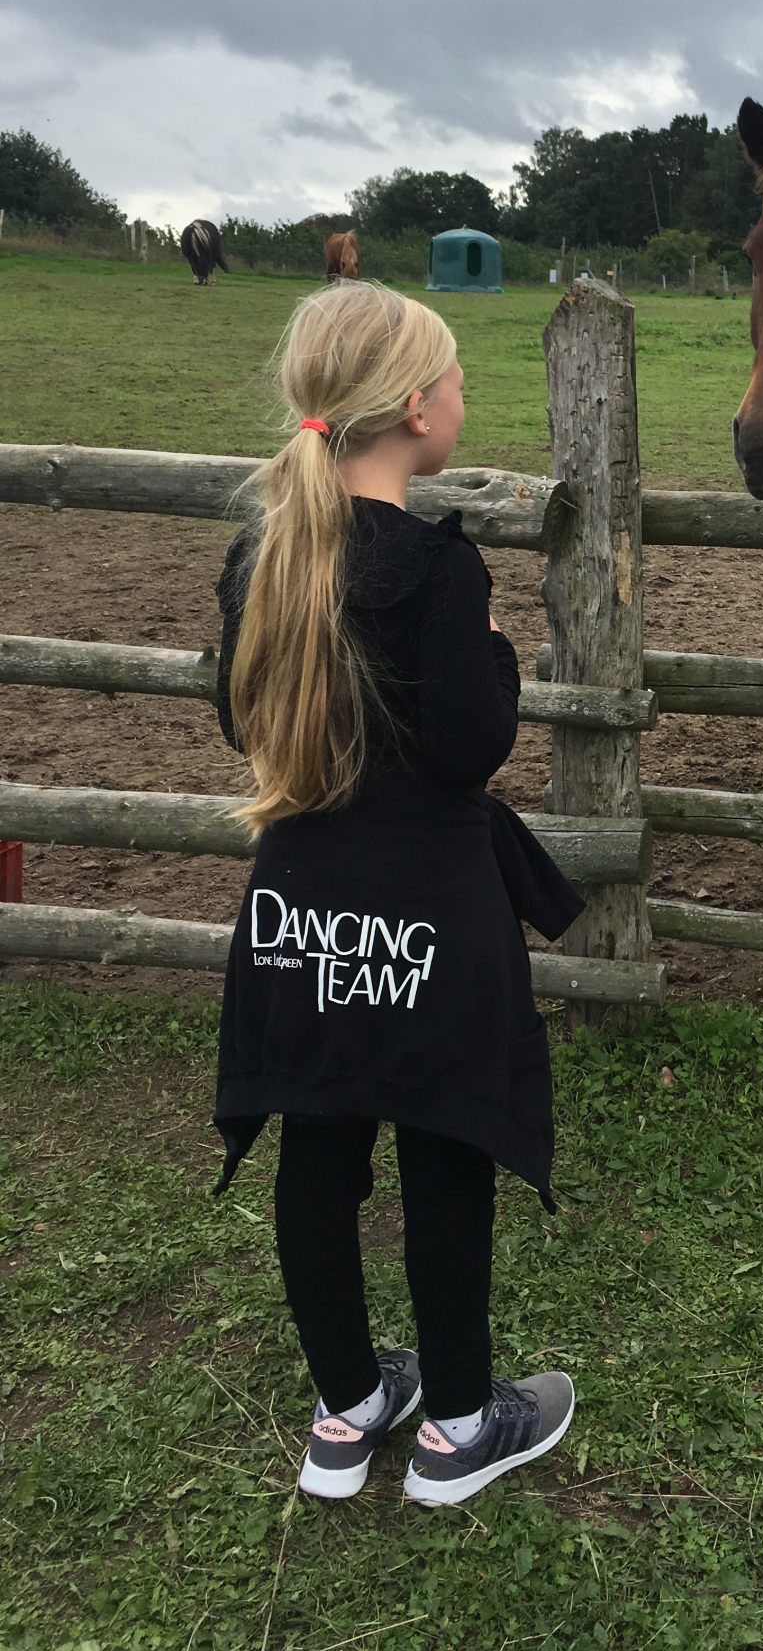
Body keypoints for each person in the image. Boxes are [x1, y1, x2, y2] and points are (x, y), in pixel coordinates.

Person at [211, 279, 586, 1508]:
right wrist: (486, 654)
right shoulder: (439, 567)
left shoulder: (261, 554)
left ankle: (345, 1411)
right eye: (459, 375)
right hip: (430, 914)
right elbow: (470, 748)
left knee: (316, 1154)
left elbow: (237, 719)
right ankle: (460, 1429)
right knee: (442, 1154)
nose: (463, 394)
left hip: (298, 915)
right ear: (419, 410)